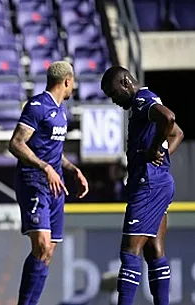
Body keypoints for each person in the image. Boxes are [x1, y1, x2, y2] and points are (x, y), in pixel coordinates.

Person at [100, 66, 184, 305]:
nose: (114, 100)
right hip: (158, 182)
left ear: (126, 82)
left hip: (148, 186)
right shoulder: (147, 99)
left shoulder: (141, 101)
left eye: (114, 93)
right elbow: (177, 134)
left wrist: (156, 148)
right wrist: (161, 152)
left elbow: (169, 118)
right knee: (154, 251)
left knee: (129, 252)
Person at [8, 61, 89, 305]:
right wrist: (44, 167)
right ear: (67, 81)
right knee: (42, 245)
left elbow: (53, 151)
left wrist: (73, 169)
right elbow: (16, 143)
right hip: (34, 181)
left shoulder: (61, 111)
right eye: (72, 82)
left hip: (57, 184)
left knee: (49, 251)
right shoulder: (37, 106)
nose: (72, 87)